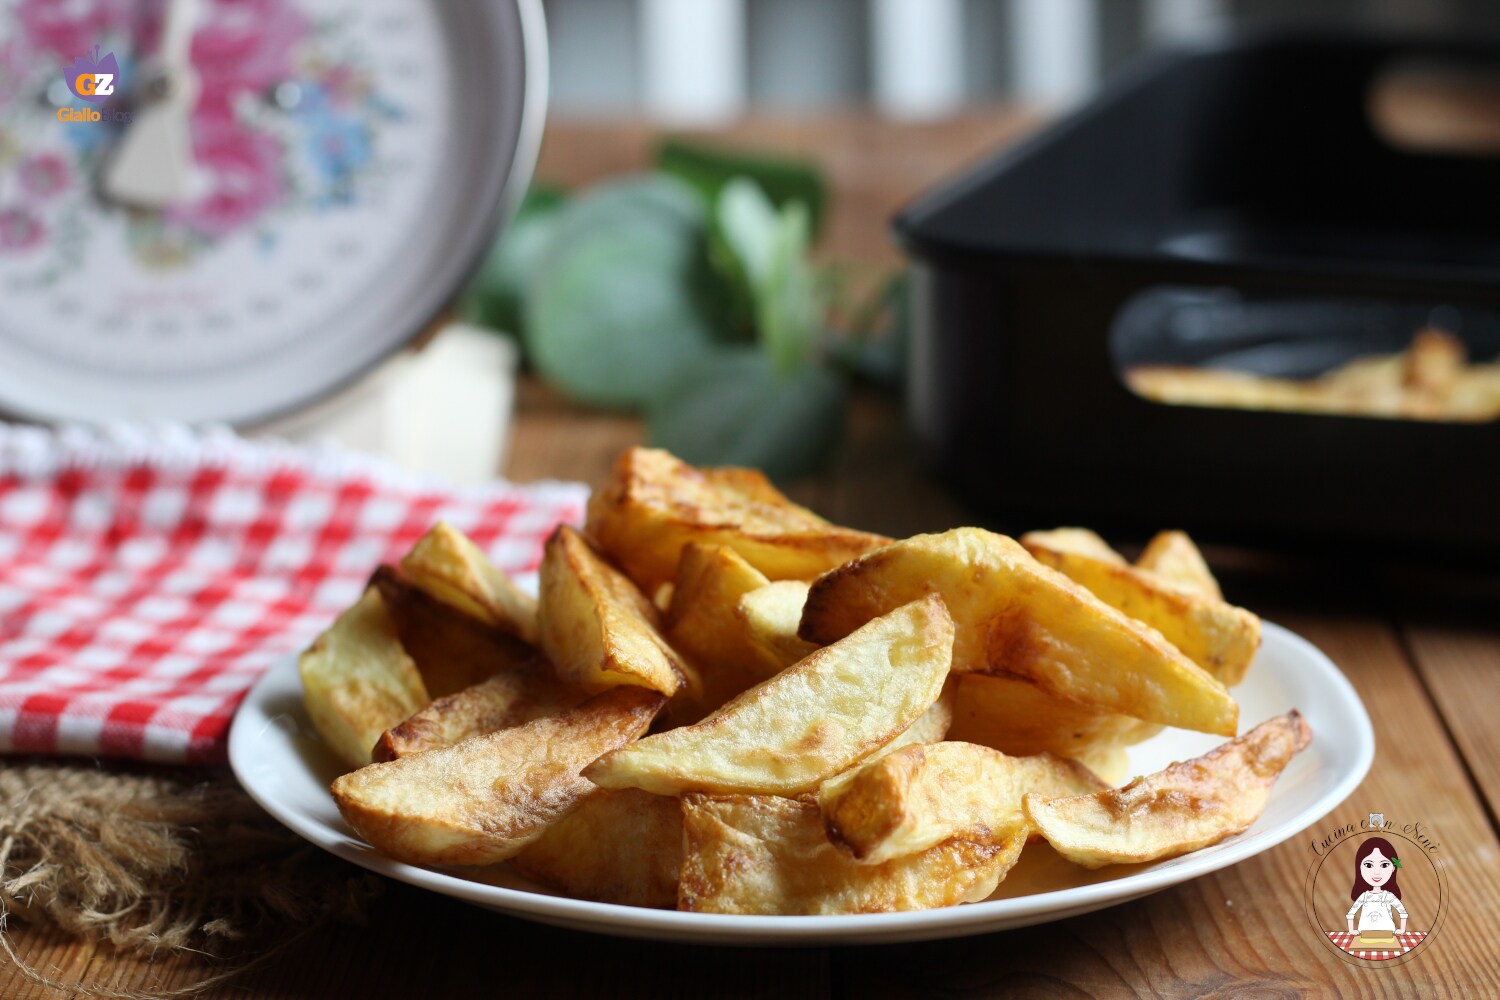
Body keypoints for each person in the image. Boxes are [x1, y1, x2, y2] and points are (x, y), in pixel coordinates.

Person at [1346, 837, 1408, 939]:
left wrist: (1402, 929)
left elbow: (1402, 912)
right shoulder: (1364, 896)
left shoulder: (1389, 896)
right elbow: (1350, 913)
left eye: (1384, 865)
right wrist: (1351, 930)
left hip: (1387, 934)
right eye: (1368, 865)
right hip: (1365, 934)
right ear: (1359, 868)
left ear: (1393, 868)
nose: (1376, 872)